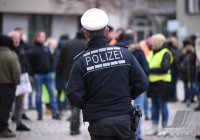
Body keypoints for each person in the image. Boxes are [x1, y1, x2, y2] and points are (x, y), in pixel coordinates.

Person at [67, 8, 149, 140]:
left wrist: (91, 105)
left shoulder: (81, 61)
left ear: (86, 34)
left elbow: (73, 94)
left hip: (99, 122)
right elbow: (143, 83)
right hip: (124, 119)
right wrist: (127, 96)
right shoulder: (125, 54)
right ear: (107, 32)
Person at [56, 29, 87, 135]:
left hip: (68, 77)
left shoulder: (67, 44)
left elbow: (60, 61)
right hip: (83, 76)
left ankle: (74, 126)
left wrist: (59, 75)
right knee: (80, 103)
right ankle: (75, 126)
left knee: (74, 101)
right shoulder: (86, 44)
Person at [27, 31, 60, 120]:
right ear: (37, 38)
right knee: (38, 95)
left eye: (44, 37)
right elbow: (28, 63)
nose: (44, 38)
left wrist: (52, 68)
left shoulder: (46, 48)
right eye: (42, 37)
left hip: (48, 74)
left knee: (52, 94)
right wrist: (32, 73)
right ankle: (39, 113)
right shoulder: (32, 49)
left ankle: (55, 113)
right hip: (38, 75)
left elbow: (52, 59)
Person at [124, 30, 149, 140]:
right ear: (134, 37)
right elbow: (145, 69)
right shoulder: (139, 51)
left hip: (123, 86)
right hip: (137, 86)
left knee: (123, 111)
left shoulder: (118, 50)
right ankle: (137, 135)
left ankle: (126, 134)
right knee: (138, 111)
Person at [146, 34, 173, 137]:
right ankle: (155, 128)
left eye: (153, 41)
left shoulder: (165, 53)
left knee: (163, 106)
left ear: (158, 42)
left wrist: (149, 70)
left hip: (162, 83)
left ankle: (164, 128)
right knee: (154, 107)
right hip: (153, 83)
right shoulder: (152, 52)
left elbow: (165, 68)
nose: (151, 43)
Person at [0, 35, 21, 137]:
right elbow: (16, 72)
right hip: (7, 86)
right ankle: (3, 129)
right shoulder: (11, 55)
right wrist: (17, 83)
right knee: (5, 107)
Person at [10, 31, 30, 131]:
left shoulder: (21, 48)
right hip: (11, 82)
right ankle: (5, 125)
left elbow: (25, 63)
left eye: (18, 37)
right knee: (8, 104)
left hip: (22, 81)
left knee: (19, 103)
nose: (17, 39)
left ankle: (18, 123)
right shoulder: (9, 50)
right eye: (15, 38)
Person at [179, 39, 197, 106]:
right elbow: (180, 60)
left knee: (192, 87)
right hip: (184, 73)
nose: (189, 47)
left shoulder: (193, 53)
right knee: (185, 87)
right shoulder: (183, 53)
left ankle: (191, 98)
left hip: (192, 73)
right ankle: (186, 98)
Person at [166, 37, 181, 102]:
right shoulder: (171, 50)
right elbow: (176, 61)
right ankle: (172, 97)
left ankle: (173, 97)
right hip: (172, 70)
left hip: (174, 70)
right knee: (172, 85)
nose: (176, 43)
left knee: (173, 85)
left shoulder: (175, 49)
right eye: (174, 42)